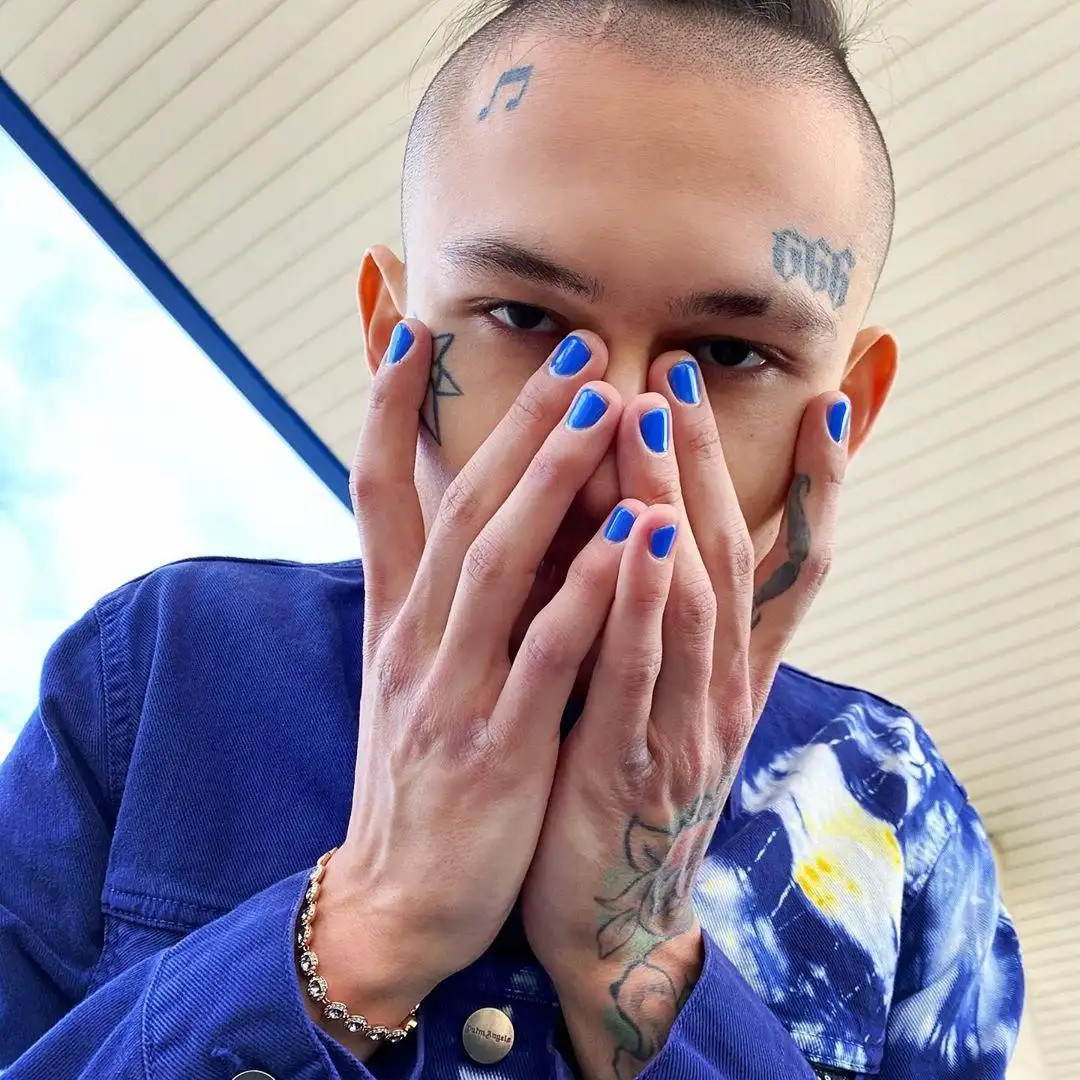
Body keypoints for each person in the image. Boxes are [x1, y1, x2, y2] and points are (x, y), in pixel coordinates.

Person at [0, 0, 1024, 1078]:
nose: (615, 439)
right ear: (392, 337)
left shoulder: (896, 812)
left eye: (727, 354)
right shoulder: (165, 665)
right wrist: (369, 922)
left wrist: (636, 955)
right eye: (527, 321)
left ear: (845, 414)